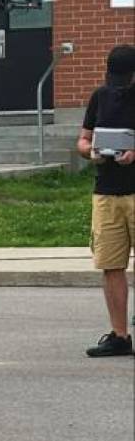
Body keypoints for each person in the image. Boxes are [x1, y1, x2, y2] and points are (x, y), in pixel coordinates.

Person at [80, 44, 135, 357]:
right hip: (106, 192)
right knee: (111, 265)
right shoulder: (99, 96)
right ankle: (119, 336)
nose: (118, 83)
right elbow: (83, 138)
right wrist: (91, 152)